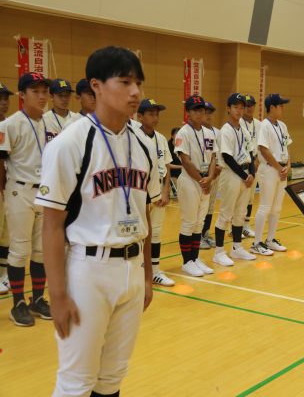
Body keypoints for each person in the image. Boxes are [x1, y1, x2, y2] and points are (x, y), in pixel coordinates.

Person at [37, 46, 160, 397]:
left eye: (138, 83)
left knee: (112, 378)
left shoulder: (144, 145)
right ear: (96, 86)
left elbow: (144, 213)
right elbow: (52, 224)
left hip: (132, 268)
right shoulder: (70, 144)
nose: (135, 92)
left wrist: (146, 277)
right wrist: (57, 294)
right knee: (76, 381)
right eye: (125, 82)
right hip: (88, 271)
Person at [0, 72, 53, 326]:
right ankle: (18, 303)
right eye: (36, 91)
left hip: (44, 192)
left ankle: (38, 298)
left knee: (41, 250)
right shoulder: (10, 125)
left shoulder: (50, 123)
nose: (42, 96)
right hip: (19, 190)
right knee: (20, 249)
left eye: (45, 91)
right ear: (22, 95)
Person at [174, 95, 218, 276]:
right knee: (189, 222)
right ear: (188, 112)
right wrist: (202, 180)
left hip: (206, 181)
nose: (200, 113)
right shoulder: (183, 133)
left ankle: (195, 257)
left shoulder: (209, 133)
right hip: (190, 181)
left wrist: (210, 178)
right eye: (195, 110)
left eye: (202, 110)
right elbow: (185, 160)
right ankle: (187, 262)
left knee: (199, 223)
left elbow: (214, 157)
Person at [212, 93, 257, 266]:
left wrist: (251, 173)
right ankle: (218, 252)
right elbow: (227, 157)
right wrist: (245, 176)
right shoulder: (225, 130)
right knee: (226, 213)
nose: (239, 110)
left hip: (245, 174)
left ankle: (237, 248)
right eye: (235, 107)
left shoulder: (244, 130)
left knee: (240, 213)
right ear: (228, 109)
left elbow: (251, 154)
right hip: (231, 174)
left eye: (241, 107)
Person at [137, 98, 175, 286]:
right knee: (140, 233)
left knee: (157, 233)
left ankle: (155, 270)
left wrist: (165, 191)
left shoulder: (160, 138)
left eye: (157, 114)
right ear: (140, 116)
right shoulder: (134, 136)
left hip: (158, 189)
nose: (155, 118)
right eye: (151, 114)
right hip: (140, 192)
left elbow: (167, 166)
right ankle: (139, 271)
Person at [251, 94, 292, 256]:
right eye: (280, 105)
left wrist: (288, 165)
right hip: (269, 169)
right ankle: (256, 243)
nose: (283, 108)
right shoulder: (264, 126)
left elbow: (286, 147)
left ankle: (270, 239)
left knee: (276, 208)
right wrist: (279, 167)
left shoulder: (282, 125)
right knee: (265, 206)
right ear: (272, 107)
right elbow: (263, 149)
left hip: (281, 170)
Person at [199, 101, 220, 249]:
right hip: (198, 175)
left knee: (210, 206)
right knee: (199, 206)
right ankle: (197, 235)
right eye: (205, 112)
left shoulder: (217, 133)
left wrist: (218, 169)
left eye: (210, 112)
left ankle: (205, 233)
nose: (208, 115)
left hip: (215, 174)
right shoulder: (194, 132)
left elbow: (220, 154)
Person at [240, 94, 261, 238]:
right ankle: (234, 226)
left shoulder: (259, 124)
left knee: (250, 197)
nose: (249, 108)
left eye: (251, 105)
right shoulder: (238, 123)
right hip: (241, 164)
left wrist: (257, 160)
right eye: (246, 105)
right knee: (239, 197)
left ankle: (246, 226)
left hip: (255, 163)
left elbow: (261, 144)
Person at [0, 81, 14, 295]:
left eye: (5, 98)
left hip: (9, 187)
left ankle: (3, 275)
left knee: (6, 234)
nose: (3, 102)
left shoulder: (10, 125)